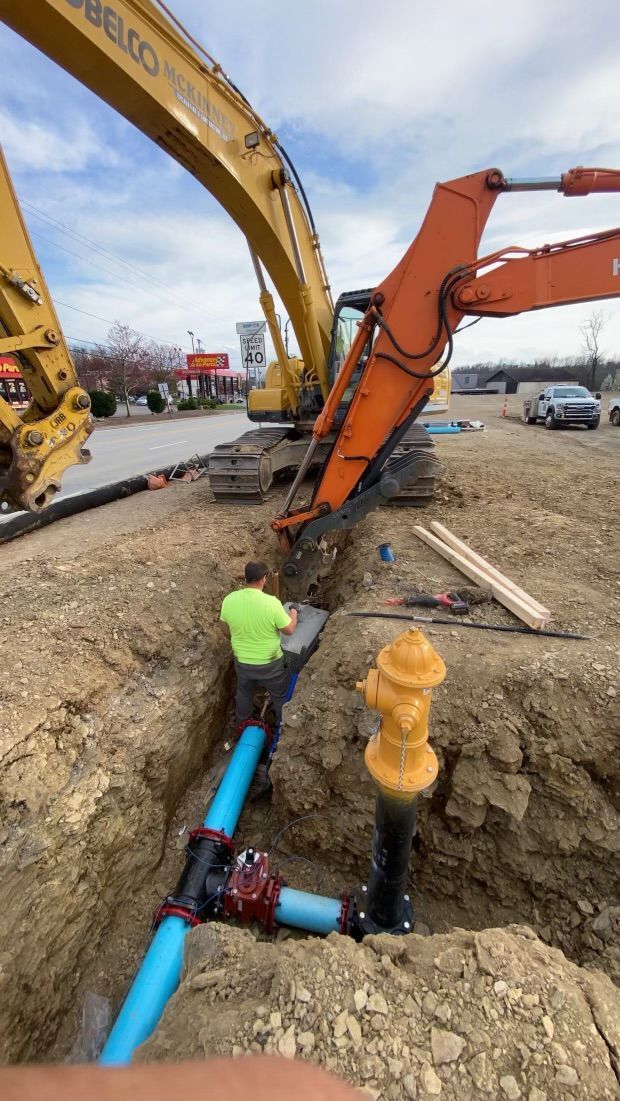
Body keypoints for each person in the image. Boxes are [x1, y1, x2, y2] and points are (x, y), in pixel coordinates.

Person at [219, 561, 298, 727]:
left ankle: (242, 724)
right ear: (263, 579)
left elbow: (225, 630)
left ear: (246, 578)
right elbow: (289, 629)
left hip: (243, 662)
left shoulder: (229, 600)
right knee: (279, 696)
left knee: (244, 694)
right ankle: (281, 729)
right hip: (271, 665)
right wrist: (293, 612)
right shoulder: (271, 603)